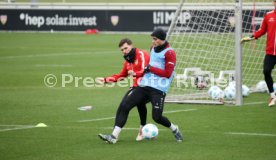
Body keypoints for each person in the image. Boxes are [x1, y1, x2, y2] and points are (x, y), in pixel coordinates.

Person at [98, 28, 183, 144]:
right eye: (152, 39)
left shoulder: (170, 53)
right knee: (125, 106)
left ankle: (174, 129)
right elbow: (147, 70)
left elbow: (167, 74)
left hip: (159, 89)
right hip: (145, 85)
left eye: (155, 39)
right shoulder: (153, 48)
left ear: (162, 39)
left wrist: (150, 69)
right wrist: (138, 74)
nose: (153, 41)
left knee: (157, 117)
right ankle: (113, 136)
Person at [99, 38, 150, 141]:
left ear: (131, 45)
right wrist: (105, 80)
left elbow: (146, 70)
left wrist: (135, 74)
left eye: (126, 48)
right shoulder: (128, 61)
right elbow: (121, 76)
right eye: (122, 50)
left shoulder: (142, 54)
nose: (124, 51)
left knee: (125, 106)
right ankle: (140, 130)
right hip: (137, 88)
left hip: (148, 88)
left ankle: (114, 136)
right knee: (126, 106)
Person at [241, 0, 276, 106]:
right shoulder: (268, 15)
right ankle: (272, 96)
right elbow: (262, 30)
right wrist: (251, 38)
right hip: (270, 52)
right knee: (266, 71)